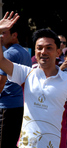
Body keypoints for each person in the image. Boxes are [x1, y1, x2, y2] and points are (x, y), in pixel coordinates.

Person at [0, 11, 67, 148]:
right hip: (26, 145)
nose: (43, 52)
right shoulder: (26, 73)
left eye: (49, 48)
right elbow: (1, 60)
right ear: (35, 52)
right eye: (39, 48)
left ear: (57, 52)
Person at [0, 19, 32, 147]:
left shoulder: (9, 53)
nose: (1, 36)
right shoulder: (24, 52)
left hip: (7, 107)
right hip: (20, 105)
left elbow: (1, 83)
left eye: (4, 33)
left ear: (14, 35)